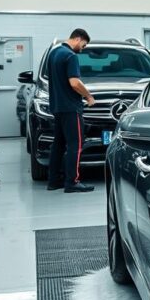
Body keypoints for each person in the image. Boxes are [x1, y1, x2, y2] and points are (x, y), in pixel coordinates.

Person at [47, 28, 96, 193]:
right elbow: (75, 83)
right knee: (76, 144)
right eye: (83, 45)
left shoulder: (53, 53)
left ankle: (53, 180)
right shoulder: (70, 56)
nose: (82, 49)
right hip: (70, 108)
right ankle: (72, 182)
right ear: (78, 38)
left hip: (57, 107)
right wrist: (88, 96)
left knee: (58, 144)